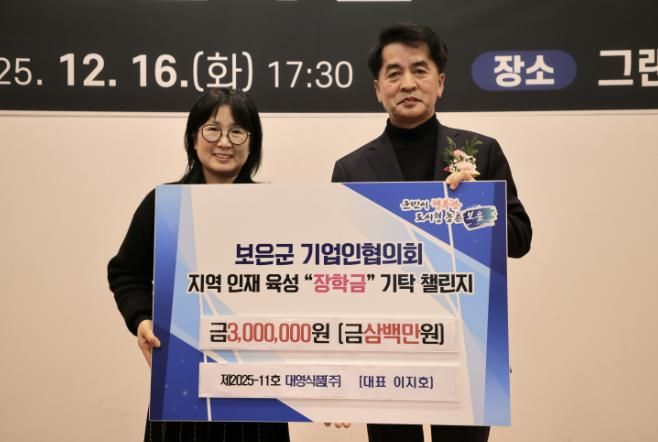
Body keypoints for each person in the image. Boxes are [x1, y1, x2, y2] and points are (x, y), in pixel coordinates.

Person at [331, 23, 532, 442]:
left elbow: (520, 239)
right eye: (394, 73)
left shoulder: (481, 152)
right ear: (378, 89)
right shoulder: (351, 170)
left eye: (419, 70)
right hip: (384, 352)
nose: (407, 83)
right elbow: (340, 268)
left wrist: (476, 206)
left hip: (467, 347)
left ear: (440, 82)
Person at [108, 88, 290, 442]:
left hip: (259, 390)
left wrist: (326, 387)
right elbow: (125, 272)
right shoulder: (164, 205)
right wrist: (142, 319)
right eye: (212, 129)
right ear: (194, 138)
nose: (224, 141)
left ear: (252, 143)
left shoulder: (273, 208)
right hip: (182, 386)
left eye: (237, 131)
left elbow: (303, 287)